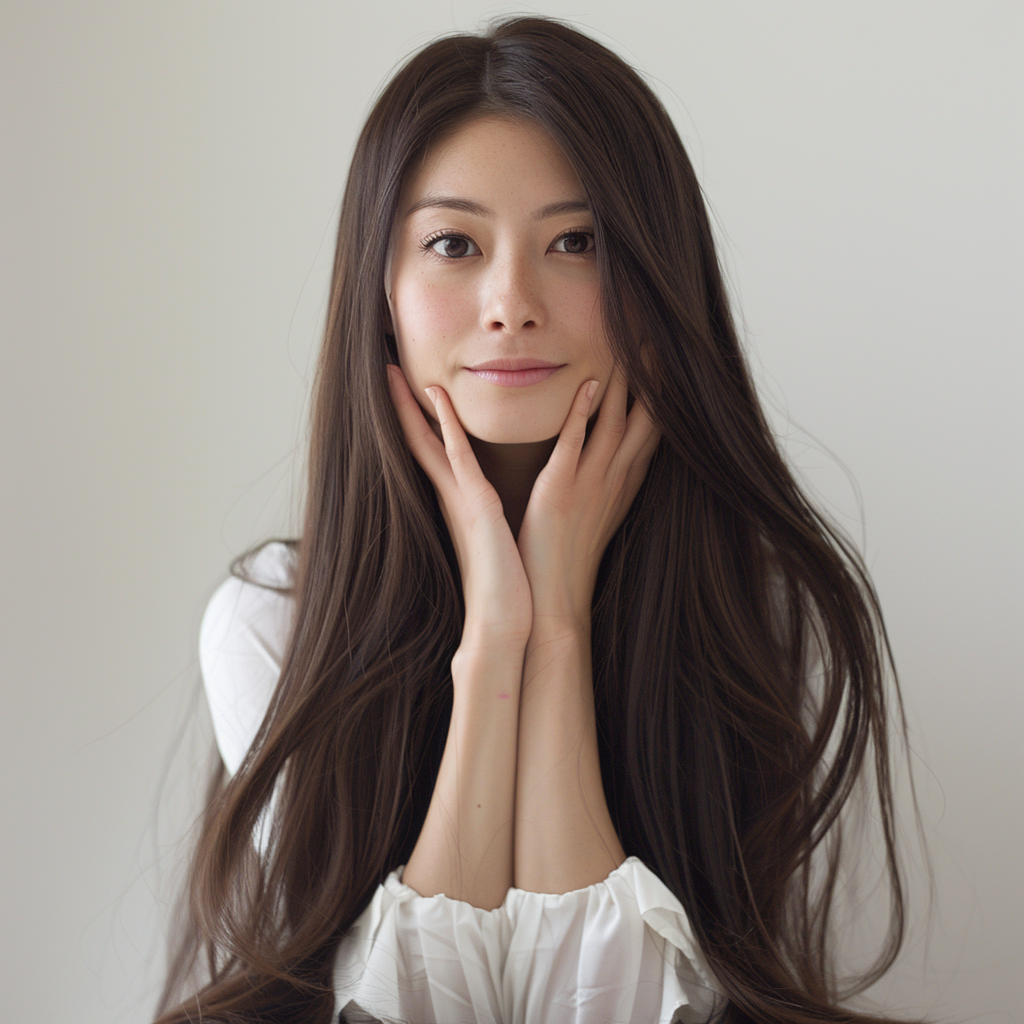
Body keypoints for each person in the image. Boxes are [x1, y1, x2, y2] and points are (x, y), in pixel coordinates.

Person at [155, 15, 920, 1024]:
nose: (510, 300)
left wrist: (556, 622)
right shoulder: (275, 620)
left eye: (576, 241)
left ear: (655, 280)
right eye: (453, 243)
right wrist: (497, 643)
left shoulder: (746, 609)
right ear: (379, 293)